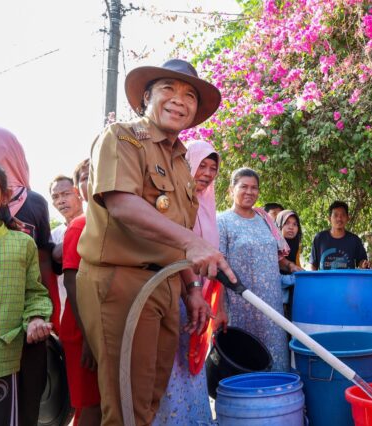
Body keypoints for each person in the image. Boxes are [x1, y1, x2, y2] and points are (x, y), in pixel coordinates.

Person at [76, 59, 236, 425]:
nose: (179, 100)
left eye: (189, 95)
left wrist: (191, 289)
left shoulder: (181, 160)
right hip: (123, 283)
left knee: (149, 400)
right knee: (126, 408)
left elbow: (173, 239)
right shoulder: (123, 136)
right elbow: (122, 204)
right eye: (169, 89)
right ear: (146, 96)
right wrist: (192, 245)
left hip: (164, 285)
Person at [154, 140, 226, 425]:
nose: (207, 173)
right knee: (171, 368)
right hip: (174, 296)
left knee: (192, 366)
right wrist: (191, 291)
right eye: (202, 165)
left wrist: (216, 305)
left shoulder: (208, 206)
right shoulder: (173, 204)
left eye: (213, 168)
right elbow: (172, 250)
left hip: (201, 301)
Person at [0, 126, 59, 426]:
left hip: (15, 336)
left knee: (18, 408)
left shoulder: (23, 235)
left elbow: (38, 281)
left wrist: (38, 315)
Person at [218, 168, 291, 371]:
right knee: (246, 358)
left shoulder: (265, 220)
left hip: (271, 303)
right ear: (231, 190)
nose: (250, 192)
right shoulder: (222, 222)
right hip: (241, 304)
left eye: (254, 188)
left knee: (275, 356)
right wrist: (220, 310)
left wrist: (294, 268)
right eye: (244, 187)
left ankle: (280, 399)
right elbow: (216, 269)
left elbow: (277, 257)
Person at [60, 159, 101, 426]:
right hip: (82, 330)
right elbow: (71, 282)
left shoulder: (116, 222)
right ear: (78, 189)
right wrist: (89, 337)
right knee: (89, 406)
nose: (92, 181)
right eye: (84, 177)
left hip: (102, 328)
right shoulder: (80, 226)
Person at [49, 174, 85, 319]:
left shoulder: (95, 224)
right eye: (55, 197)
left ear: (79, 194)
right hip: (65, 309)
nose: (61, 201)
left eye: (66, 194)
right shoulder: (52, 235)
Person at [310, 201, 371, 270]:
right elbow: (313, 265)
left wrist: (363, 264)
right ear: (329, 219)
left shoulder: (354, 240)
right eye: (335, 215)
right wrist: (314, 280)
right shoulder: (319, 238)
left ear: (348, 218)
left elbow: (361, 262)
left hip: (348, 280)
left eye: (343, 215)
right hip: (324, 281)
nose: (339, 218)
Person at [275, 210, 304, 320]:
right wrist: (295, 279)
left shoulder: (296, 245)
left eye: (295, 224)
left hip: (290, 295)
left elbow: (297, 265)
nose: (291, 227)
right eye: (286, 223)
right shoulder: (273, 244)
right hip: (276, 295)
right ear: (279, 226)